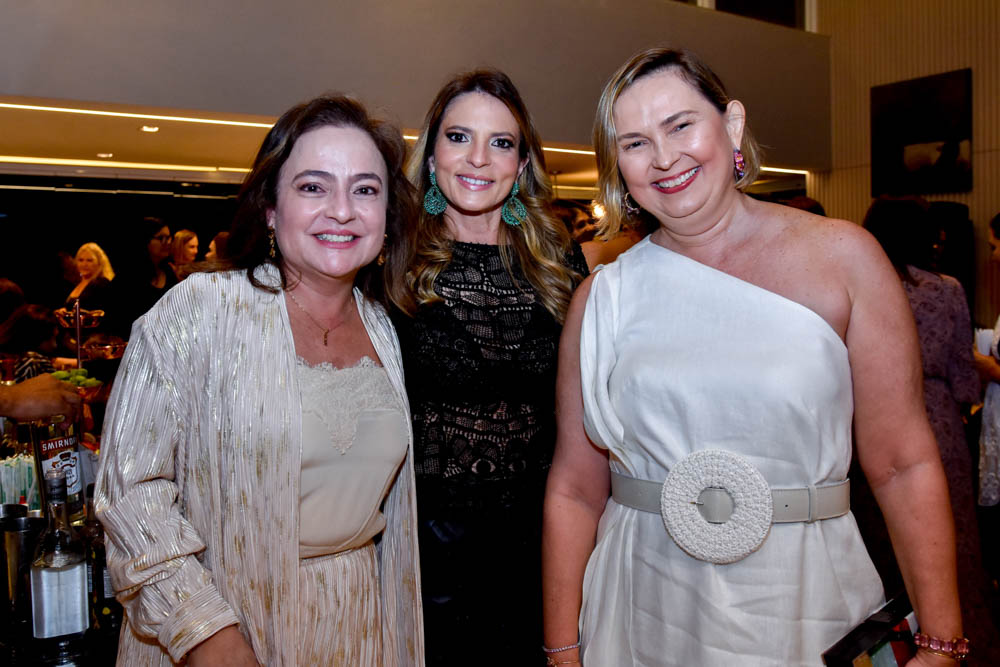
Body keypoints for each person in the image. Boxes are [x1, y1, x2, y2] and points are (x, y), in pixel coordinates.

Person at [543, 48, 964, 666]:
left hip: (803, 595)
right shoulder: (602, 298)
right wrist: (562, 650)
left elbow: (903, 462)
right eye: (634, 143)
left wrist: (942, 641)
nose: (663, 158)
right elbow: (576, 490)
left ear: (732, 124)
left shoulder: (845, 258)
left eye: (680, 125)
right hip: (642, 600)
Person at [95, 95, 424, 666]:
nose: (342, 210)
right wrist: (204, 632)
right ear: (271, 208)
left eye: (366, 189)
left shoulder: (388, 329)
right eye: (313, 187)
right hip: (223, 620)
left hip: (359, 623)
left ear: (387, 216)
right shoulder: (200, 310)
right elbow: (130, 491)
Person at [389, 69, 587, 665]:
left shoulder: (559, 263)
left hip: (540, 549)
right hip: (421, 554)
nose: (478, 158)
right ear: (431, 156)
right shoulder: (390, 257)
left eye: (501, 143)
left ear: (522, 164)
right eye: (459, 137)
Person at [865, 197, 999, 664]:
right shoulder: (945, 289)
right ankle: (958, 643)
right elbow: (962, 370)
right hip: (935, 417)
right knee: (949, 535)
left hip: (868, 416)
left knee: (880, 537)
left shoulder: (862, 284)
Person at [109, 216, 177, 337]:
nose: (167, 243)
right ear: (145, 241)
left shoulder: (169, 272)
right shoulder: (127, 278)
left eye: (168, 238)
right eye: (161, 238)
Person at [66, 242, 114, 312]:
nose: (84, 264)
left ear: (99, 263)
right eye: (81, 260)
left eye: (89, 260)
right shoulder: (77, 283)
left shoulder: (102, 283)